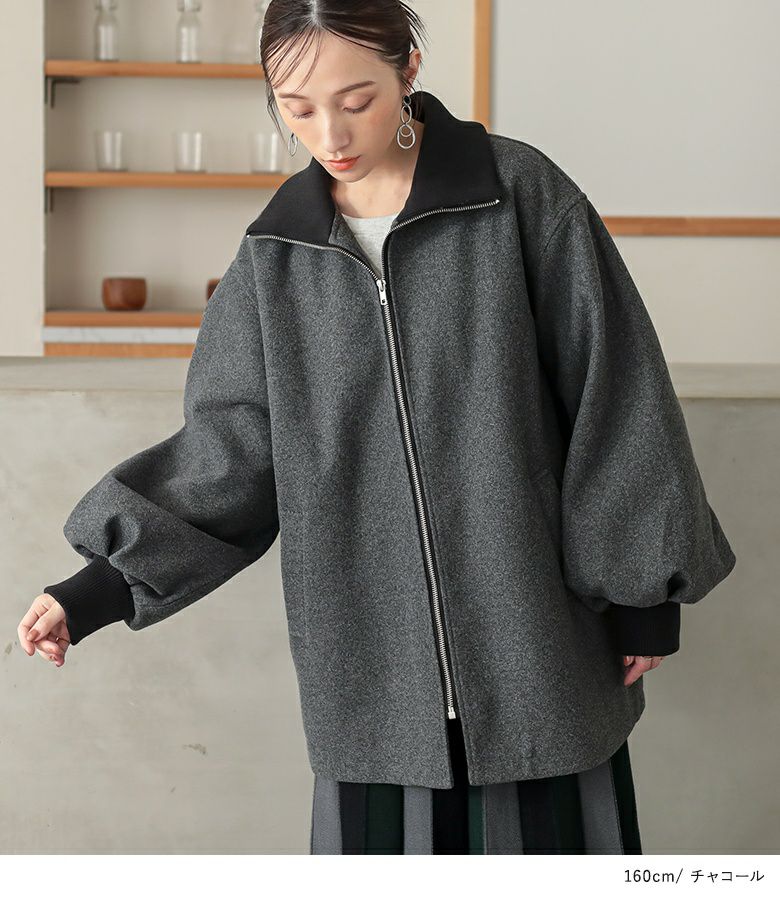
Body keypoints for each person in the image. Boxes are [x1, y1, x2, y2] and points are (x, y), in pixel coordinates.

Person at [19, 0, 736, 854]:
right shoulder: (276, 256)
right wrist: (97, 588)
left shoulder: (518, 197)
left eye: (355, 100)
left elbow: (614, 391)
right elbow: (230, 453)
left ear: (408, 71)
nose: (330, 133)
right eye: (296, 107)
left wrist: (644, 595)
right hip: (371, 679)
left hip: (537, 647)